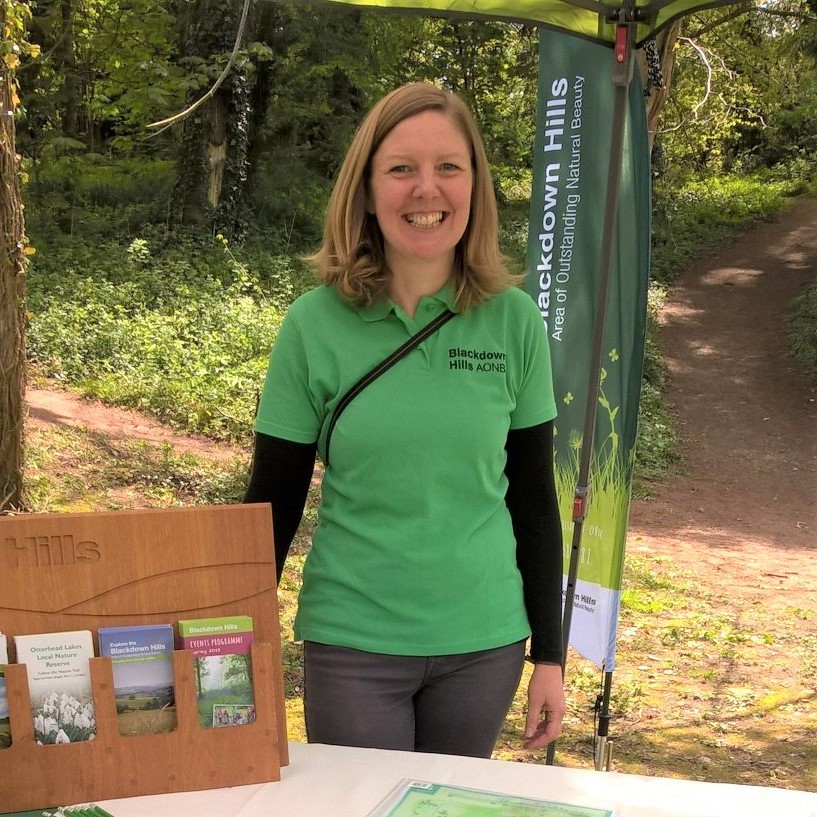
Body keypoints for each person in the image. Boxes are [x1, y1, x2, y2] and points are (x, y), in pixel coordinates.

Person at [244, 82, 565, 759]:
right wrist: (234, 643)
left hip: (484, 644)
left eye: (448, 166)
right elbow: (271, 503)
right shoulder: (313, 325)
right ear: (364, 190)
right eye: (401, 168)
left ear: (474, 185)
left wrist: (551, 655)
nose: (427, 189)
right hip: (353, 642)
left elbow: (533, 500)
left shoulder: (514, 322)